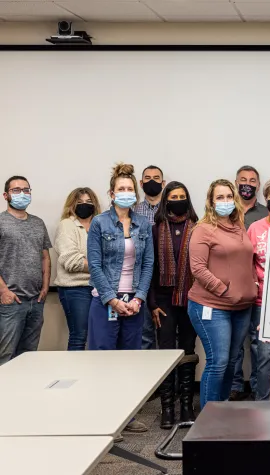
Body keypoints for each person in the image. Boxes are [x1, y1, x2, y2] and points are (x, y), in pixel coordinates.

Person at [87, 163, 153, 436]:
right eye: (120, 189)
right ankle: (102, 418)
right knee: (104, 361)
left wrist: (138, 298)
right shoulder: (99, 223)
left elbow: (148, 264)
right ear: (111, 193)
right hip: (105, 301)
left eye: (129, 189)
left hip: (134, 301)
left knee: (130, 361)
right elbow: (95, 265)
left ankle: (128, 417)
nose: (125, 193)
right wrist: (112, 299)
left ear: (135, 194)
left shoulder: (143, 224)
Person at [187, 179, 258, 410]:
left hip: (242, 307)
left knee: (231, 363)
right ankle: (208, 419)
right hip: (211, 306)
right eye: (220, 197)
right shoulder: (202, 229)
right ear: (211, 202)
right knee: (218, 362)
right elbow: (197, 269)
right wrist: (224, 290)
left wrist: (252, 284)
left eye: (229, 196)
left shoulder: (239, 227)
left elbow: (246, 261)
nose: (225, 201)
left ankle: (223, 411)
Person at [233, 178, 270, 402]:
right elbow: (248, 262)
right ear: (266, 200)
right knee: (263, 353)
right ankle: (263, 399)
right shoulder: (255, 228)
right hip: (261, 301)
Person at [148, 181, 199, 429]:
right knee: (167, 352)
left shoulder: (198, 228)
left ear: (187, 200)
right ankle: (167, 407)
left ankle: (187, 405)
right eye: (173, 196)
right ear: (166, 200)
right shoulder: (155, 229)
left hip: (191, 298)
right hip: (164, 301)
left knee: (188, 351)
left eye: (182, 196)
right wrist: (152, 303)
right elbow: (149, 267)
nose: (178, 200)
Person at [0, 176, 51, 366]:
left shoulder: (38, 223)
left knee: (28, 356)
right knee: (6, 355)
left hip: (36, 301)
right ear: (6, 195)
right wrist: (4, 291)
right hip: (11, 303)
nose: (22, 194)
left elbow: (45, 256)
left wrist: (46, 287)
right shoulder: (1, 221)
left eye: (26, 190)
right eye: (16, 190)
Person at [54, 187, 101, 351]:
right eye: (79, 202)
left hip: (99, 288)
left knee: (99, 335)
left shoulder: (100, 224)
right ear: (72, 205)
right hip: (75, 289)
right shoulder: (66, 225)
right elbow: (71, 261)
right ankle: (74, 374)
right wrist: (101, 267)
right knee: (79, 335)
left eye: (89, 202)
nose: (84, 205)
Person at [135, 165, 165, 350]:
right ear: (140, 183)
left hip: (166, 281)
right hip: (141, 279)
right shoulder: (133, 211)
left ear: (163, 183)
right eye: (147, 178)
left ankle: (171, 380)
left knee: (169, 335)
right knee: (145, 335)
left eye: (156, 178)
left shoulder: (172, 210)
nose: (152, 181)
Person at [236, 166, 268, 231]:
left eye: (252, 181)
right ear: (236, 184)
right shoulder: (227, 211)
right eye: (243, 180)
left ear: (258, 186)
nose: (248, 184)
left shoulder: (267, 214)